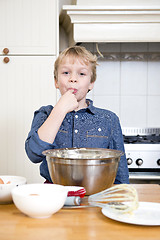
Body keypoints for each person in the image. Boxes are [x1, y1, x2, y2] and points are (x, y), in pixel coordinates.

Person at [25, 46, 129, 184]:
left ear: (91, 83)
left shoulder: (109, 120)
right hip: (54, 194)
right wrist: (60, 110)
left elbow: (120, 173)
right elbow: (34, 154)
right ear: (56, 81)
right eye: (66, 72)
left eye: (81, 74)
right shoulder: (45, 114)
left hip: (96, 193)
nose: (73, 79)